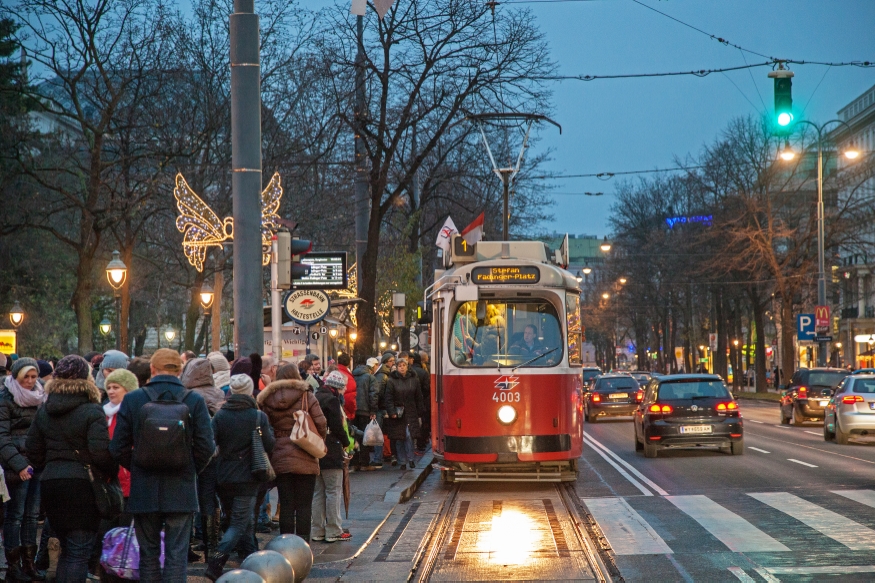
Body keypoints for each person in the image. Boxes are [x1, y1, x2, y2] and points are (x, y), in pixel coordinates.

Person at [109, 349, 216, 582]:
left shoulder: (134, 399)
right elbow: (207, 446)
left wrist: (139, 465)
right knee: (177, 555)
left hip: (144, 487)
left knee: (148, 553)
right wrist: (189, 468)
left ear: (152, 370)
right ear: (179, 370)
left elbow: (117, 447)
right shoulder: (194, 400)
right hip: (181, 488)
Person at [26, 355, 118, 582]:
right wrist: (111, 471)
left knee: (67, 549)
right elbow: (100, 453)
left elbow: (32, 450)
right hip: (82, 485)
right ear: (86, 378)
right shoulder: (92, 410)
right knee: (78, 552)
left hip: (51, 483)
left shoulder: (45, 410)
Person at [204, 374, 275, 580]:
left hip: (224, 476)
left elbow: (210, 443)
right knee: (239, 523)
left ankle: (252, 559)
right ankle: (216, 562)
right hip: (249, 475)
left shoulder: (220, 415)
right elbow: (269, 445)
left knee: (243, 521)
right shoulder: (257, 416)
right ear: (249, 391)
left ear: (232, 392)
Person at [257, 364, 327, 542]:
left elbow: (264, 429)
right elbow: (321, 424)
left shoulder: (267, 399)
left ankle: (285, 543)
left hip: (279, 456)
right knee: (304, 505)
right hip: (305, 454)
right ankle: (302, 545)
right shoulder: (307, 396)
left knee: (286, 504)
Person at [0, 357, 47, 580]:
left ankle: (29, 563)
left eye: (33, 376)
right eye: (25, 376)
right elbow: (2, 436)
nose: (30, 381)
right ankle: (13, 565)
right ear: (16, 376)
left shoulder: (41, 397)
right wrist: (19, 465)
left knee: (32, 515)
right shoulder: (5, 399)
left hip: (37, 463)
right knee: (16, 515)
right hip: (16, 465)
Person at [181, 358, 225, 560]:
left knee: (189, 498)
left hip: (190, 453)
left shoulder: (188, 396)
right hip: (213, 453)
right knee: (209, 499)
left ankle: (188, 544)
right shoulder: (218, 393)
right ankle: (211, 545)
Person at [312, 371, 351, 543]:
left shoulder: (315, 397)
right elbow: (336, 426)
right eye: (342, 389)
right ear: (337, 388)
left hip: (314, 449)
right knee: (333, 491)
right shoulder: (332, 401)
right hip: (331, 449)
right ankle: (334, 530)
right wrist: (346, 442)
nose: (343, 393)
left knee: (318, 492)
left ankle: (317, 530)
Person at [384, 359, 424, 471]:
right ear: (396, 367)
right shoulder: (392, 381)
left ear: (407, 367)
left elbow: (418, 397)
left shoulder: (414, 380)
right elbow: (388, 398)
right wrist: (392, 412)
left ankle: (410, 459)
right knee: (399, 437)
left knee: (408, 435)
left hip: (411, 412)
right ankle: (402, 461)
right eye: (399, 365)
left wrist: (420, 412)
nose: (402, 367)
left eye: (404, 365)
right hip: (398, 413)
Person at [351, 357, 379, 471]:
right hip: (365, 410)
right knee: (365, 436)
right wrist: (373, 410)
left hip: (353, 410)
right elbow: (374, 394)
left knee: (354, 436)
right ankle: (364, 463)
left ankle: (354, 463)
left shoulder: (352, 376)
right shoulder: (370, 377)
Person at [373, 353, 395, 468]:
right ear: (386, 362)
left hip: (381, 408)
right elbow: (380, 393)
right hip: (381, 408)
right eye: (391, 361)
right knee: (379, 433)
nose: (393, 363)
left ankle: (379, 457)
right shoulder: (383, 376)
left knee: (380, 433)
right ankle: (378, 458)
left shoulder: (384, 374)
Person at [409, 352, 431, 453]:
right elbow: (427, 388)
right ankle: (420, 443)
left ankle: (411, 443)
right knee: (421, 423)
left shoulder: (409, 371)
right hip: (421, 402)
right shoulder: (423, 372)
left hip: (410, 401)